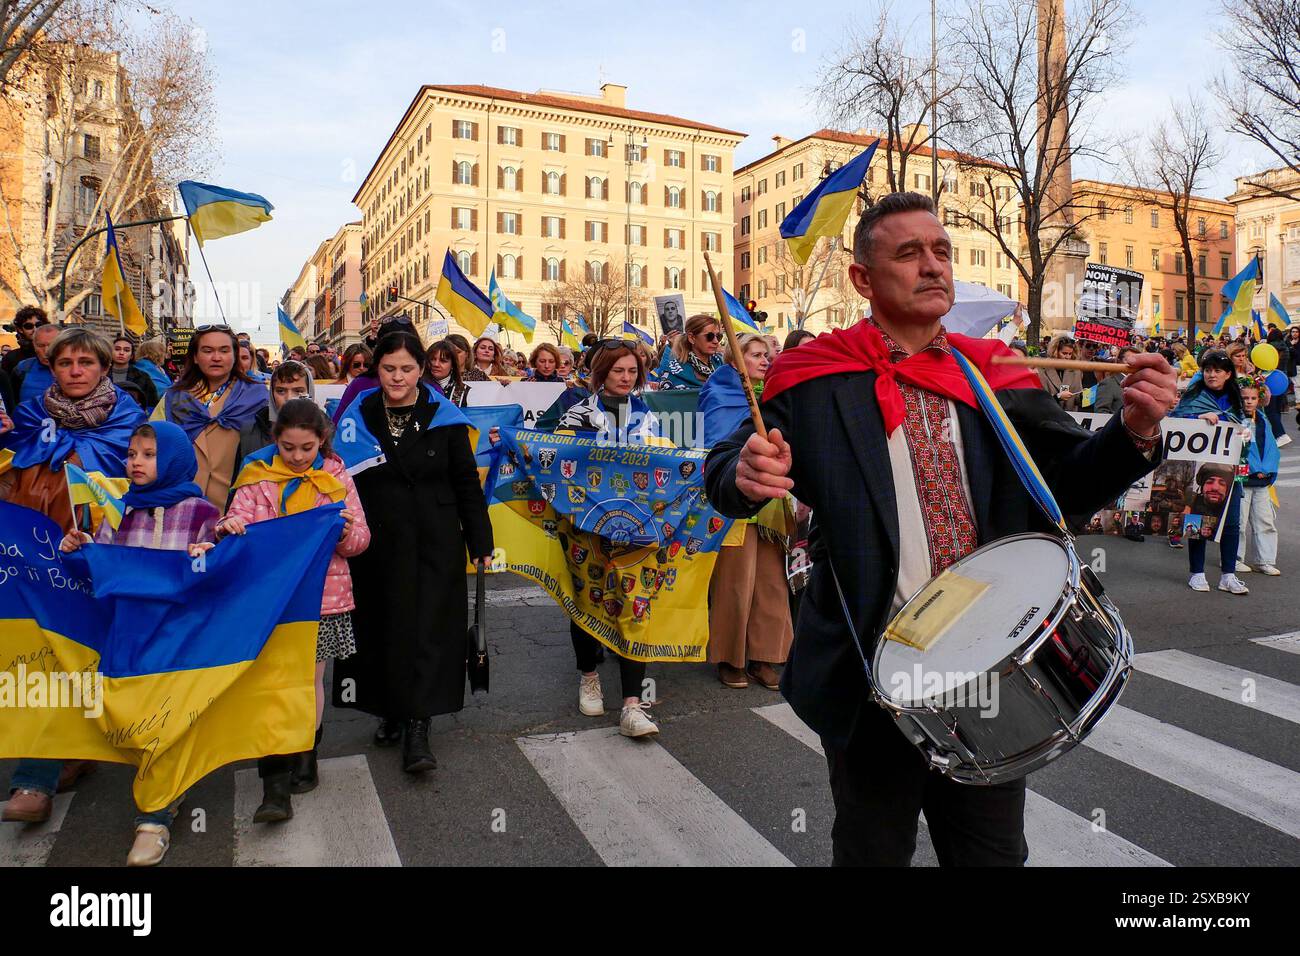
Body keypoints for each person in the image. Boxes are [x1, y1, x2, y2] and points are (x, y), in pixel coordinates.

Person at [703, 191, 1172, 866]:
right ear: (863, 279)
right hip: (874, 672)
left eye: (942, 251)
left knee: (991, 854)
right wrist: (745, 474)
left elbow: (1067, 484)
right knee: (871, 850)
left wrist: (1135, 429)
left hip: (991, 663)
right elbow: (727, 468)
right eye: (909, 253)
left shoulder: (993, 370)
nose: (933, 266)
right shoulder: (812, 377)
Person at [0, 327, 147, 827]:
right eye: (66, 364)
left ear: (105, 367)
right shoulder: (29, 416)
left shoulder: (128, 419)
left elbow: (140, 482)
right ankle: (34, 781)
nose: (76, 371)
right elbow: (15, 474)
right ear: (53, 369)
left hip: (97, 557)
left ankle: (86, 751)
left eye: (86, 362)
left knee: (90, 657)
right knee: (45, 660)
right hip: (35, 559)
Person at [56, 421, 220, 864]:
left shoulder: (201, 512)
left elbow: (218, 565)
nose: (135, 462)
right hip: (130, 633)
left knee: (166, 720)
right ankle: (166, 796)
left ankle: (154, 819)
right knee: (142, 721)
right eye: (131, 454)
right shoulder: (119, 510)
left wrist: (210, 553)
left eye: (148, 454)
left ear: (173, 459)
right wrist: (83, 547)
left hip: (177, 637)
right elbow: (105, 567)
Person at [332, 331, 493, 772]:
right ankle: (388, 708)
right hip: (376, 539)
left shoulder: (445, 416)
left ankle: (418, 726)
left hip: (434, 538)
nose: (397, 377)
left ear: (422, 369)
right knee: (382, 626)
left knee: (427, 629)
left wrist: (480, 540)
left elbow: (465, 482)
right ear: (375, 369)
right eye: (388, 368)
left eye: (406, 368)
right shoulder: (358, 415)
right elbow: (338, 480)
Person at [215, 398, 369, 821]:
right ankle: (275, 779)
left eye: (307, 448)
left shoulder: (337, 479)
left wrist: (345, 532)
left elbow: (360, 543)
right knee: (271, 683)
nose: (298, 457)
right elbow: (234, 522)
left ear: (322, 441)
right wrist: (229, 527)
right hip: (270, 599)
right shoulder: (256, 477)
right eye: (288, 448)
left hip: (322, 599)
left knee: (308, 680)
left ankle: (305, 751)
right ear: (274, 441)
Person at [501, 341, 662, 735]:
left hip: (635, 527)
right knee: (587, 600)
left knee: (634, 604)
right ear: (601, 373)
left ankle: (631, 704)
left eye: (632, 372)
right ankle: (588, 675)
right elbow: (548, 456)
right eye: (618, 371)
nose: (626, 379)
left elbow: (666, 460)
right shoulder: (576, 413)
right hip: (585, 525)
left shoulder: (649, 415)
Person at [699, 333, 793, 690]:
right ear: (735, 361)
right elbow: (718, 446)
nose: (766, 360)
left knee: (772, 584)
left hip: (773, 504)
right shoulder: (720, 391)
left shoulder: (776, 395)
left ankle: (765, 656)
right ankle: (730, 657)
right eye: (755, 354)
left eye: (767, 354)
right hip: (734, 505)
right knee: (735, 584)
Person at [158, 325, 268, 508]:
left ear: (234, 356)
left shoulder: (257, 396)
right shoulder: (174, 397)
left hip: (239, 505)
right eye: (207, 351)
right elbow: (154, 445)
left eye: (224, 351)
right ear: (194, 356)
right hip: (181, 502)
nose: (216, 358)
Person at [1172, 350, 1247, 594]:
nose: (1211, 374)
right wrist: (1198, 417)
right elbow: (1176, 419)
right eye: (1207, 370)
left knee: (1232, 523)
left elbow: (1246, 421)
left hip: (1231, 469)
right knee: (1199, 519)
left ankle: (1228, 575)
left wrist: (1246, 432)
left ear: (1228, 374)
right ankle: (1197, 573)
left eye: (1217, 370)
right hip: (1201, 468)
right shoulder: (1195, 395)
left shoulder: (1236, 396)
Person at [233, 360, 314, 479]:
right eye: (281, 391)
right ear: (272, 393)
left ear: (309, 392)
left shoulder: (326, 430)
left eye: (298, 391)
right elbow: (238, 481)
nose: (289, 398)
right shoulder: (251, 431)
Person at [1236, 381, 1281, 576]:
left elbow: (1271, 448)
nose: (1249, 402)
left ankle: (1265, 560)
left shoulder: (1262, 419)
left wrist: (1269, 470)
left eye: (1253, 398)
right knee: (1238, 522)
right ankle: (1234, 558)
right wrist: (1255, 469)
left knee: (1265, 521)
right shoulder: (1236, 419)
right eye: (1245, 398)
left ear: (1259, 399)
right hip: (1243, 480)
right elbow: (1244, 450)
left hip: (1262, 481)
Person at [658, 314, 725, 389]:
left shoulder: (724, 366)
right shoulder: (674, 369)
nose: (716, 341)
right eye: (709, 336)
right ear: (692, 338)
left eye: (718, 336)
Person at [13, 322, 59, 405]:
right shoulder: (23, 369)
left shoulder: (74, 370)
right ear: (34, 346)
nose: (46, 351)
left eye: (52, 345)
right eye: (41, 346)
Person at [109, 336, 160, 408]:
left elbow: (152, 403)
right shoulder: (101, 374)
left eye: (126, 350)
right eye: (117, 349)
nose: (121, 353)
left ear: (132, 355)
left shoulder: (143, 377)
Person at [1037, 334, 1082, 410]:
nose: (1067, 357)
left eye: (1070, 354)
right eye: (1064, 353)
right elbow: (1039, 399)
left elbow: (1077, 399)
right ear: (1055, 352)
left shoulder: (1076, 371)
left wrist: (1084, 396)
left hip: (1069, 418)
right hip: (1049, 415)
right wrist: (1057, 397)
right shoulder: (1041, 369)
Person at [1, 304, 46, 376]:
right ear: (20, 330)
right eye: (28, 326)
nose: (35, 329)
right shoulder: (10, 358)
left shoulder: (53, 353)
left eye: (39, 325)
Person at [422, 340, 469, 405]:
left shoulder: (465, 392)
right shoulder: (418, 387)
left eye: (443, 361)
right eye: (432, 359)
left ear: (452, 365)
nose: (436, 364)